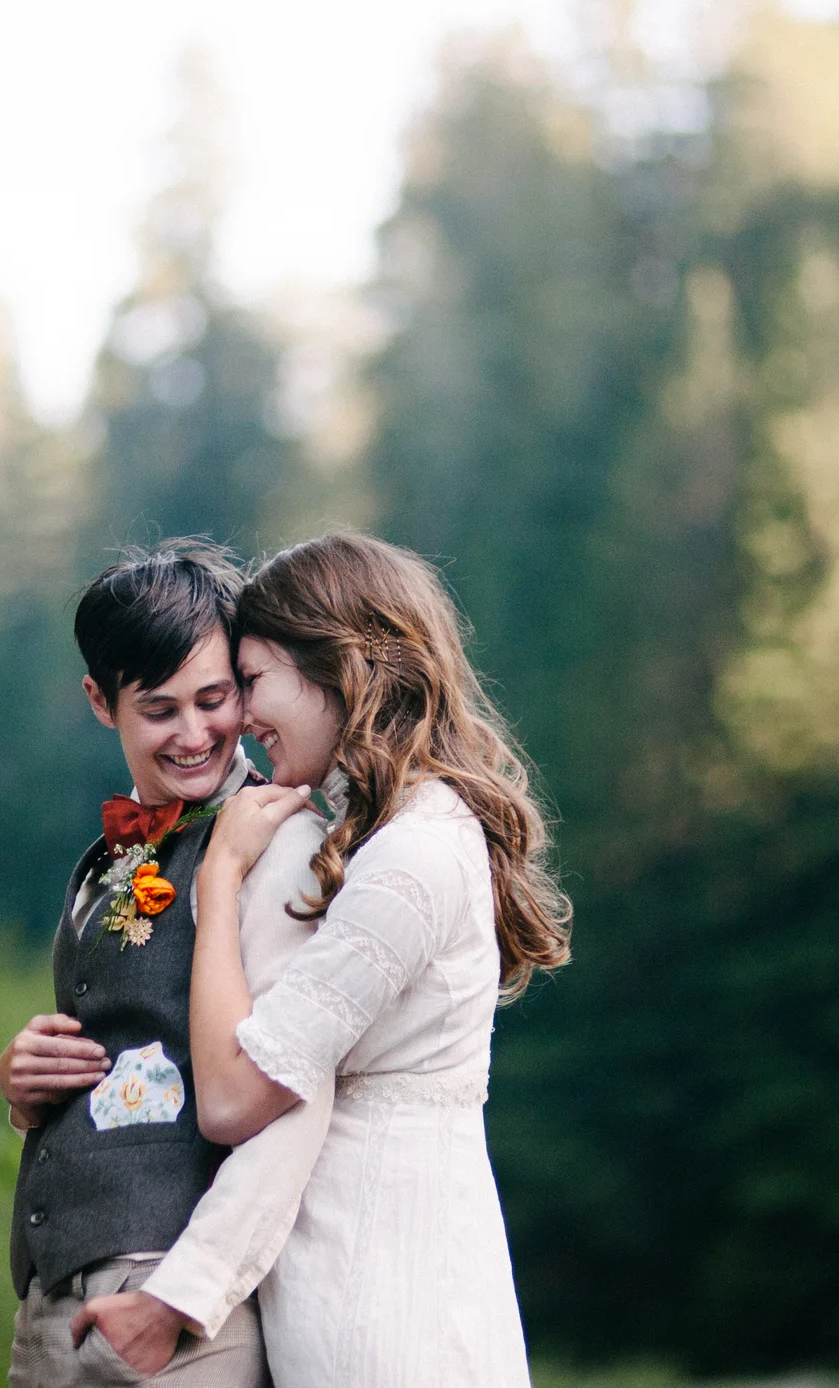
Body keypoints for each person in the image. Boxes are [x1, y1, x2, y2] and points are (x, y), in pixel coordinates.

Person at [157, 531, 574, 1388]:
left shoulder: (411, 860)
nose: (240, 717)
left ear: (337, 666)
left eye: (252, 681)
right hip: (370, 1267)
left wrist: (220, 879)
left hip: (382, 1292)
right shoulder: (387, 836)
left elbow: (236, 1097)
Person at [0, 538, 277, 1387]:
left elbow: (288, 1085)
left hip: (180, 1302)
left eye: (215, 699)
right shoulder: (103, 859)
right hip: (54, 1299)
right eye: (160, 710)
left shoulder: (275, 842)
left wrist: (184, 1293)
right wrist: (23, 1089)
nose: (196, 734)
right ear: (99, 700)